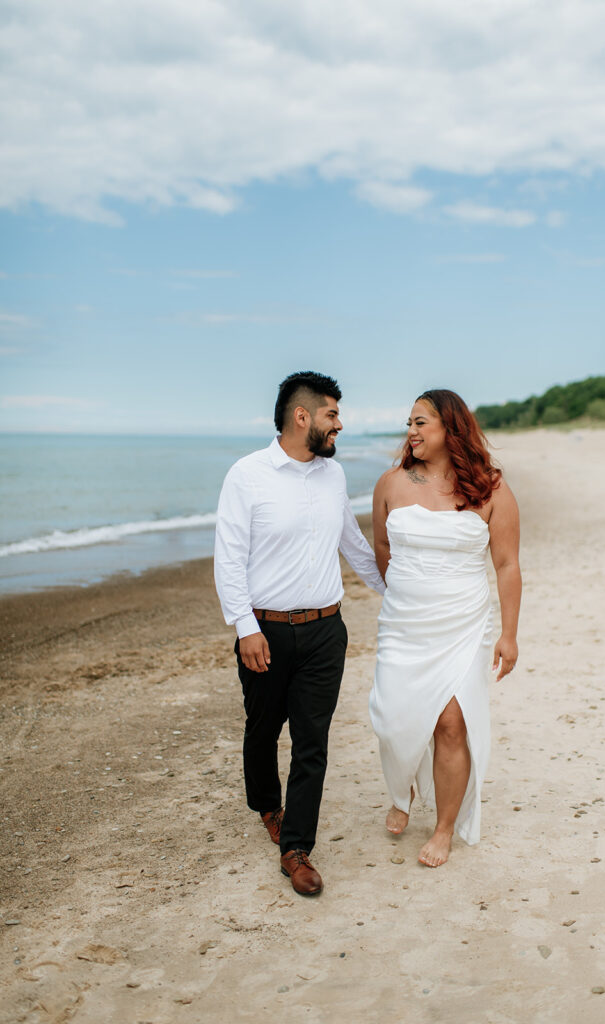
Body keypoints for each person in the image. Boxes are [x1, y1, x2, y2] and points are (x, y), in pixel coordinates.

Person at [214, 371, 385, 896]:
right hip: (266, 630)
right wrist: (246, 628)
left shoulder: (332, 478)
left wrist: (396, 592)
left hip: (325, 632)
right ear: (302, 417)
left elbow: (353, 544)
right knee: (263, 730)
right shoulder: (247, 475)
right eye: (333, 415)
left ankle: (295, 847)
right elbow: (229, 559)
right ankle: (268, 804)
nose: (340, 424)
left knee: (312, 740)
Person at [369, 389, 521, 867]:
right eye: (409, 423)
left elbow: (507, 565)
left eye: (421, 423)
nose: (411, 432)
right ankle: (403, 789)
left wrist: (509, 634)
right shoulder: (390, 484)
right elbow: (382, 550)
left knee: (451, 724)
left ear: (451, 429)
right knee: (394, 721)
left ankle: (444, 828)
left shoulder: (491, 488)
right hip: (405, 624)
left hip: (463, 624)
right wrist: (410, 592)